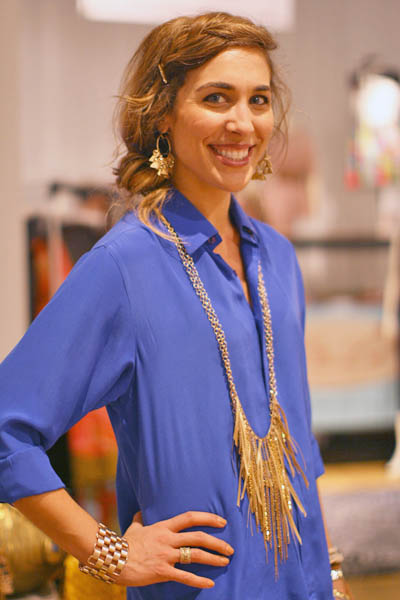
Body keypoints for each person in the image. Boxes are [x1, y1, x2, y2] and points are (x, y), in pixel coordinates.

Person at [0, 12, 352, 600]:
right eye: (216, 98)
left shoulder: (278, 259)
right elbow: (7, 428)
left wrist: (333, 574)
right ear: (163, 114)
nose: (242, 122)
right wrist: (112, 554)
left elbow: (298, 449)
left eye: (259, 99)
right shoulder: (124, 267)